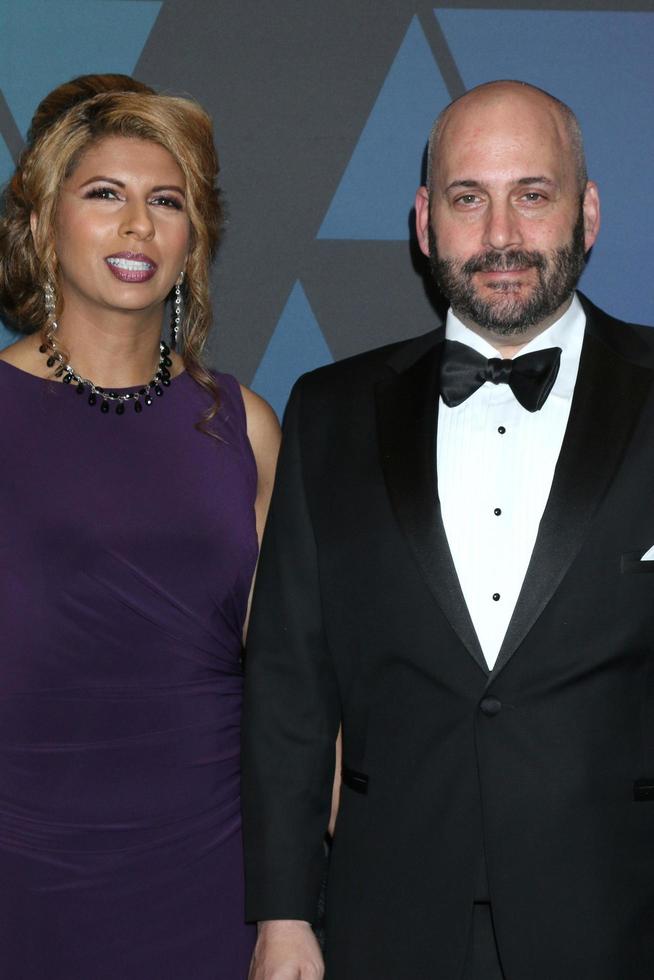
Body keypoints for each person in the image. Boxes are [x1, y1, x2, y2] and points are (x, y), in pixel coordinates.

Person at [241, 80, 654, 980]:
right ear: (425, 221)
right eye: (470, 198)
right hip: (388, 918)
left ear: (586, 212)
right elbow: (286, 685)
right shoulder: (329, 411)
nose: (501, 234)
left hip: (620, 916)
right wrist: (281, 911)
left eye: (533, 195)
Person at [0, 78, 280, 978]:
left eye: (167, 202)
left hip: (213, 876)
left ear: (194, 238)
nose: (137, 226)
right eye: (104, 195)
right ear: (43, 223)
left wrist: (296, 904)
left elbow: (297, 686)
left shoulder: (243, 424)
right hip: (25, 878)